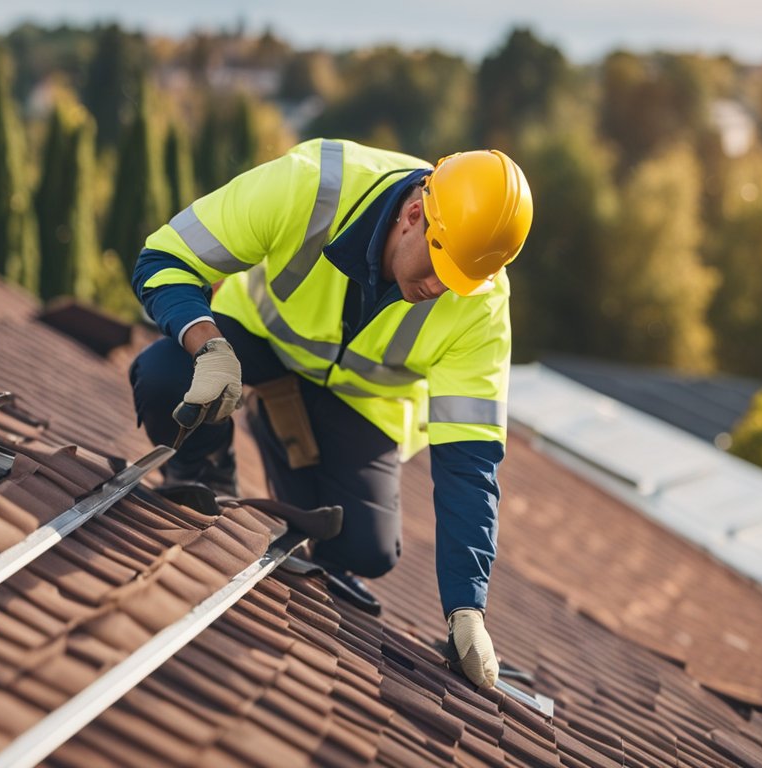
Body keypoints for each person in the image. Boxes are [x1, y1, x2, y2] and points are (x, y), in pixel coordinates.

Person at [128, 138, 532, 688]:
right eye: (440, 267)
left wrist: (468, 608)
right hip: (257, 349)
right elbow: (163, 257)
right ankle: (203, 469)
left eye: (459, 282)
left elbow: (470, 463)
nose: (440, 290)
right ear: (414, 215)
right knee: (163, 377)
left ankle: (287, 443)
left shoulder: (482, 304)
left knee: (364, 549)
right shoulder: (312, 185)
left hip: (359, 408)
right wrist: (209, 348)